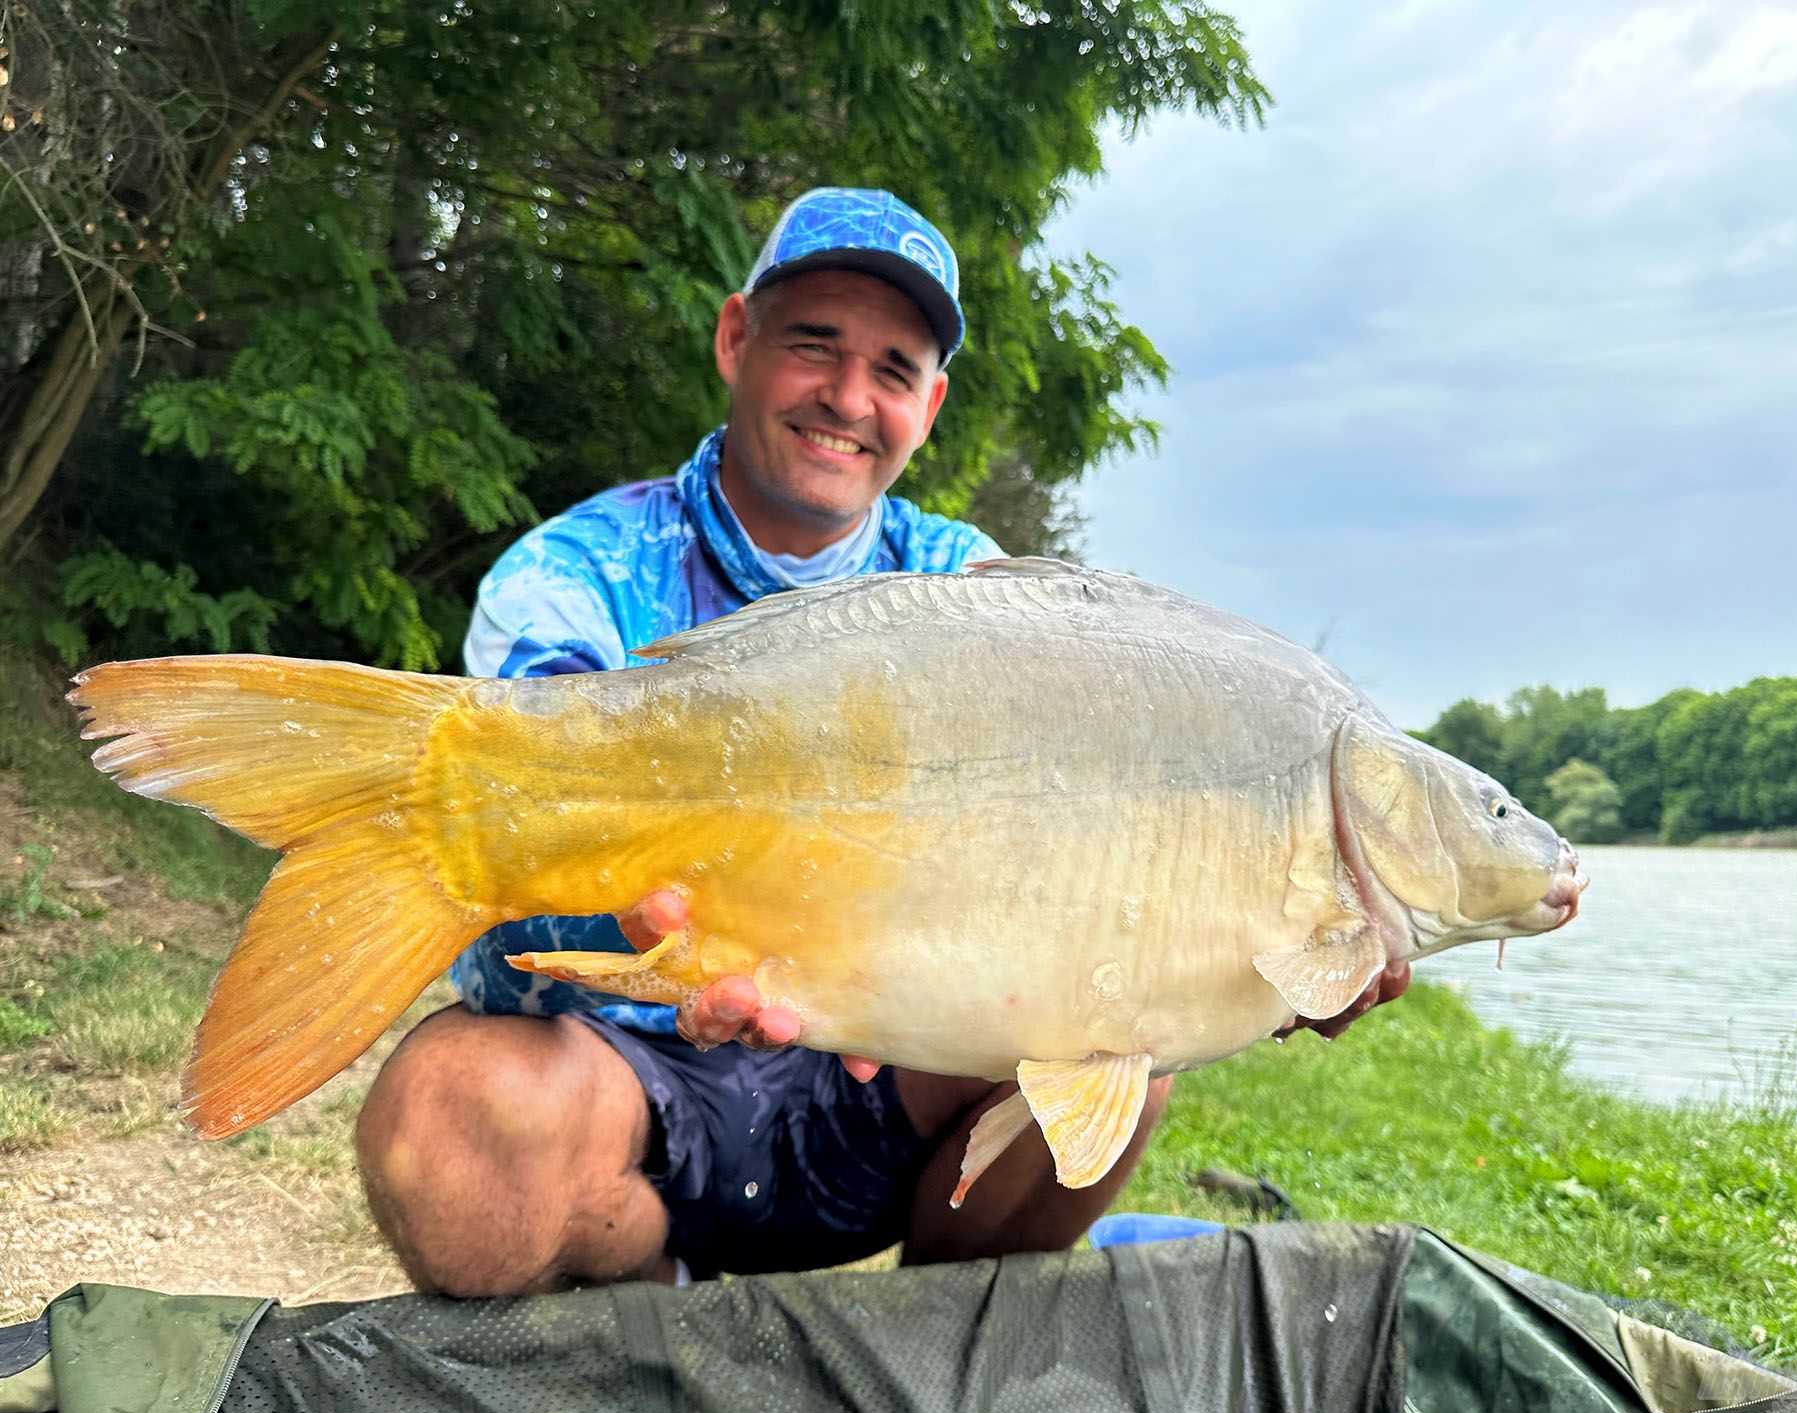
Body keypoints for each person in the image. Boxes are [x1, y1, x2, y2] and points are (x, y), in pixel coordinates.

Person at [354, 187, 1406, 1297]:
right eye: (815, 344)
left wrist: (1271, 945)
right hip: (630, 1075)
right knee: (447, 1124)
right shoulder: (573, 577)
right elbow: (491, 946)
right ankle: (650, 1295)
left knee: (1127, 1061)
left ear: (932, 402)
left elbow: (1087, 883)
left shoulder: (978, 593)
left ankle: (927, 1335)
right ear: (734, 338)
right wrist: (680, 938)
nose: (848, 398)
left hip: (884, 1079)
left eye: (894, 370)